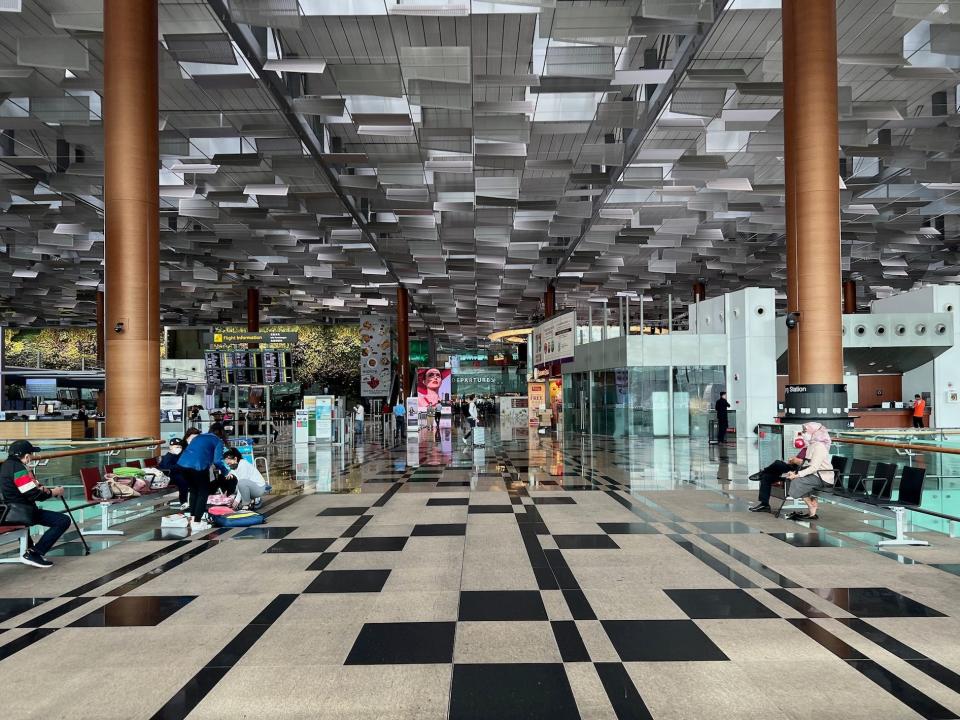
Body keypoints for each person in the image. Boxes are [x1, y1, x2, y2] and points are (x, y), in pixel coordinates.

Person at [0, 440, 69, 568]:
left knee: (32, 521)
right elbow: (34, 495)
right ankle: (34, 553)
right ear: (26, 456)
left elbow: (22, 490)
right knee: (63, 521)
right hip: (21, 512)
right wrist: (54, 492)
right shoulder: (18, 468)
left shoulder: (5, 466)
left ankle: (30, 551)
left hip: (8, 512)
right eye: (31, 454)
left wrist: (37, 487)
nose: (32, 457)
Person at [176, 422, 229, 532]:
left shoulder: (199, 437)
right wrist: (225, 472)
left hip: (182, 465)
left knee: (194, 491)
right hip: (198, 467)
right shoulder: (217, 441)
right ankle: (197, 522)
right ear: (221, 433)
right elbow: (217, 461)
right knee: (203, 493)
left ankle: (193, 518)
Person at [782, 422, 835, 520]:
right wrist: (795, 473)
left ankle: (811, 506)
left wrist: (797, 475)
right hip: (815, 475)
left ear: (813, 432)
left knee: (797, 481)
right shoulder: (811, 445)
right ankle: (812, 512)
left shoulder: (819, 447)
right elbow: (806, 464)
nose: (803, 433)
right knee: (796, 480)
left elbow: (814, 467)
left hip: (823, 477)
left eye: (805, 431)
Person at [748, 438, 807, 513]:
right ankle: (764, 504)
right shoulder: (805, 448)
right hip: (793, 468)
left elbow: (806, 463)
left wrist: (794, 460)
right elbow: (797, 461)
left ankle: (762, 473)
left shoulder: (814, 448)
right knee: (766, 477)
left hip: (799, 472)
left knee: (777, 463)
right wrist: (792, 460)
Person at [157, 438, 189, 510]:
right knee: (182, 480)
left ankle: (188, 501)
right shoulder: (168, 457)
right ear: (170, 447)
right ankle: (184, 502)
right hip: (168, 477)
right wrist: (179, 467)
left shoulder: (179, 456)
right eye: (176, 447)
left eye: (180, 447)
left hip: (177, 475)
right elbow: (167, 468)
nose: (178, 448)